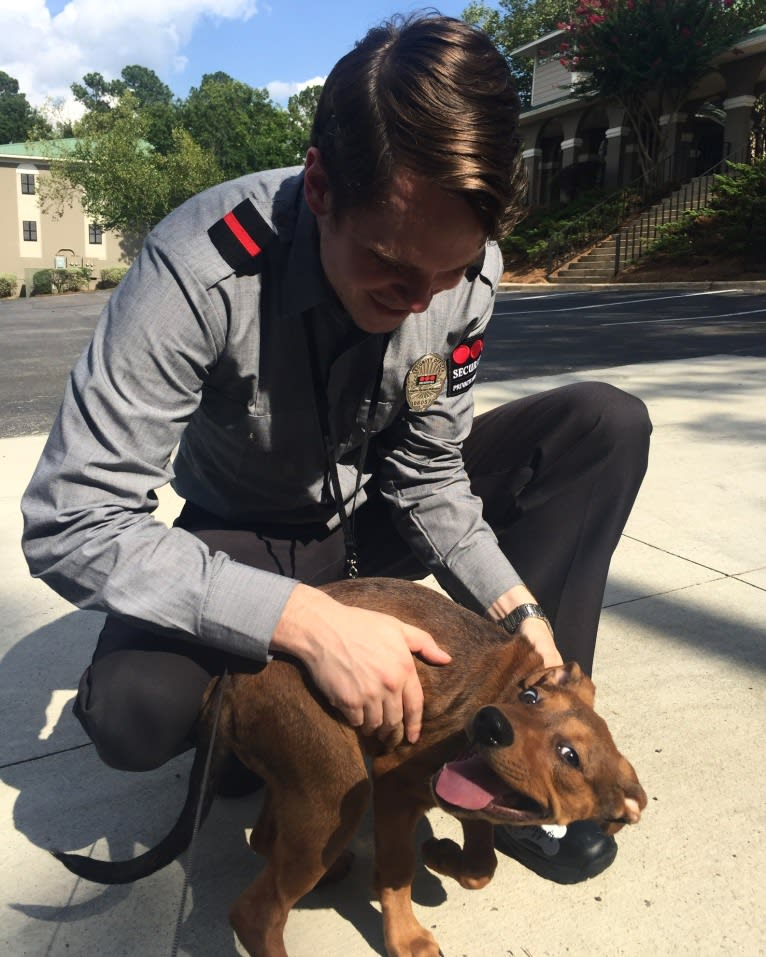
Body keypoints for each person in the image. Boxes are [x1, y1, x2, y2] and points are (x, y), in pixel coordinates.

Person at [21, 13, 651, 885]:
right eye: (394, 266)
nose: (422, 298)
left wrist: (518, 615)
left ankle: (521, 760)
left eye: (448, 274)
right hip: (247, 527)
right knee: (134, 714)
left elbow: (430, 471)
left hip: (381, 515)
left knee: (603, 424)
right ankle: (275, 727)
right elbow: (72, 519)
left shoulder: (463, 269)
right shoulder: (200, 267)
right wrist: (304, 621)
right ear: (319, 185)